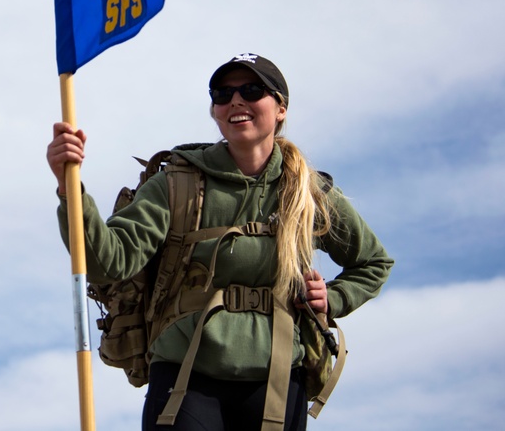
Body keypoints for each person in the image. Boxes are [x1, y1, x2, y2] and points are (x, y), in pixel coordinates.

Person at [46, 53, 393, 431]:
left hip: (277, 376)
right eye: (223, 94)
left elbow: (373, 262)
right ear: (214, 110)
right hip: (184, 374)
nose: (236, 101)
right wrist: (69, 189)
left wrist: (333, 298)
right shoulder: (176, 183)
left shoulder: (306, 191)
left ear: (280, 108)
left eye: (252, 90)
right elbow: (108, 261)